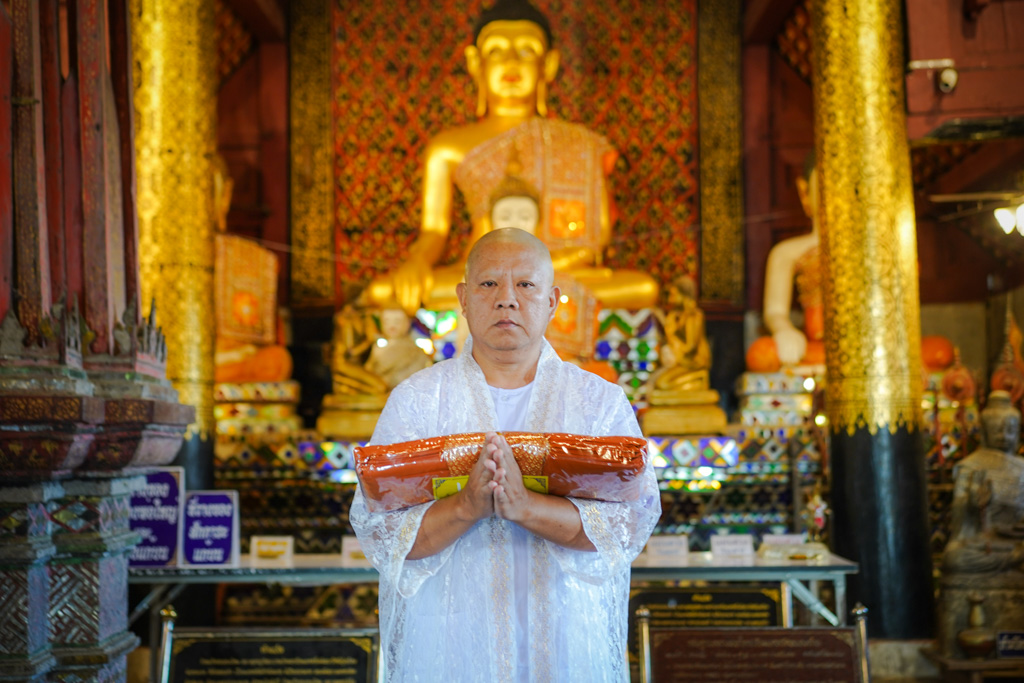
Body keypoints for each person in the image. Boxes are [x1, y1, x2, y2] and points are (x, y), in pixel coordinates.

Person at [350, 228, 661, 682]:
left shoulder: (598, 402)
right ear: (462, 298)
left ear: (552, 301)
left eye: (526, 285)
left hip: (566, 642)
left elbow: (629, 525)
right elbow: (381, 533)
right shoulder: (417, 400)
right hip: (451, 646)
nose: (507, 299)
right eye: (489, 283)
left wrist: (526, 507)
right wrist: (466, 507)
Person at [360, 0, 658, 314]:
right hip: (481, 274)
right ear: (475, 62)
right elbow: (434, 231)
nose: (512, 62)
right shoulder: (447, 147)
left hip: (556, 272)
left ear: (549, 64)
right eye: (497, 51)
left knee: (643, 288)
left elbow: (598, 236)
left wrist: (546, 267)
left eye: (527, 50)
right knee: (384, 292)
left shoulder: (581, 143)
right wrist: (417, 262)